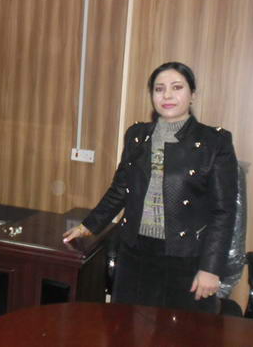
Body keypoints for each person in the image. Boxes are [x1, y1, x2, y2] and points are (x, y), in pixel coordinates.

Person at [63, 62, 237, 314]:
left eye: (177, 87)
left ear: (192, 95)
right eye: (159, 89)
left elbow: (224, 211)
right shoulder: (137, 135)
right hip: (135, 251)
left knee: (180, 332)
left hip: (187, 256)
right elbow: (120, 189)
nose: (167, 95)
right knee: (127, 326)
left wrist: (211, 269)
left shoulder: (214, 141)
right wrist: (88, 226)